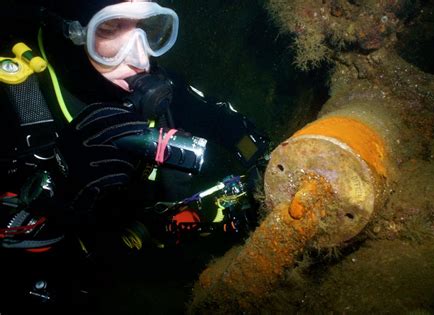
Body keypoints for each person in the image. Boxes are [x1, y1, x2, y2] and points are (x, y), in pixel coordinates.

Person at [0, 0, 268, 310]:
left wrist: (263, 153)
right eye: (111, 29)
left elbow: (217, 118)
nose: (141, 59)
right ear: (71, 32)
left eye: (147, 29)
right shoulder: (16, 98)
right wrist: (62, 180)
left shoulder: (155, 82)